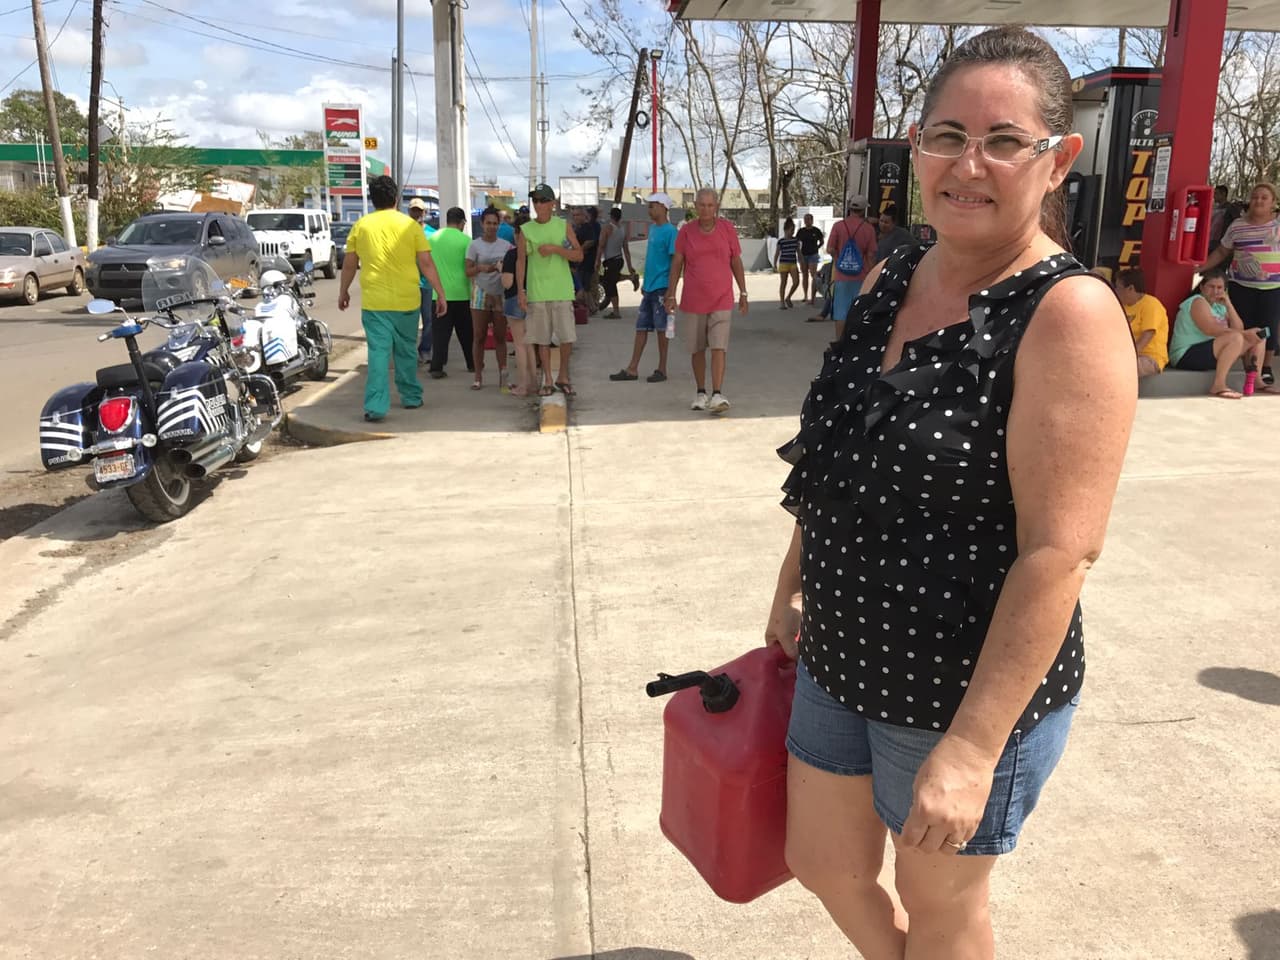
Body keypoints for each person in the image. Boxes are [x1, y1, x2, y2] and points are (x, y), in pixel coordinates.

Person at [767, 27, 1137, 960]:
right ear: (918, 147)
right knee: (821, 861)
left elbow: (1062, 550)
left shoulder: (1068, 315)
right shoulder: (895, 276)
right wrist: (789, 585)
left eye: (1004, 141)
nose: (969, 165)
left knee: (945, 912)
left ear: (1060, 159)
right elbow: (837, 455)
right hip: (841, 647)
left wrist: (972, 752)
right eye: (946, 136)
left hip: (960, 687)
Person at [338, 175, 447, 422]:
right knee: (406, 351)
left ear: (372, 199)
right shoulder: (411, 226)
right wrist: (441, 293)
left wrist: (343, 291)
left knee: (378, 354)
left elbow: (349, 265)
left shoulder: (361, 226)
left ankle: (376, 407)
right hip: (408, 300)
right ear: (396, 198)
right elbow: (426, 263)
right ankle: (410, 396)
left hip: (375, 303)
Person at [664, 188, 748, 413]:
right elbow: (677, 264)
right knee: (698, 348)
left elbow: (736, 261)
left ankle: (717, 393)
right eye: (702, 205)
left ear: (717, 207)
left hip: (721, 298)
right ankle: (701, 392)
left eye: (710, 205)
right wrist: (671, 293)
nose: (706, 210)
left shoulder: (727, 229)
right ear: (696, 207)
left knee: (719, 346)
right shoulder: (686, 232)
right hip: (693, 300)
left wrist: (743, 292)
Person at [1200, 182, 1280, 385]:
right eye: (1255, 197)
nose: (1258, 201)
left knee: (1268, 327)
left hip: (1272, 287)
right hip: (1240, 285)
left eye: (1264, 197)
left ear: (1273, 203)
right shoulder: (1237, 225)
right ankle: (1249, 369)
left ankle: (1265, 367)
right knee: (1243, 325)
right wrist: (1199, 268)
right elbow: (1221, 251)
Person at [517, 183, 583, 397]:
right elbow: (520, 262)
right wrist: (521, 291)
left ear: (552, 204)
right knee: (542, 339)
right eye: (535, 200)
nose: (538, 204)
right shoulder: (526, 230)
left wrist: (555, 249)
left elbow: (578, 255)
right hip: (537, 292)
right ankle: (547, 378)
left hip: (562, 290)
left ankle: (563, 375)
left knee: (566, 337)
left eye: (542, 200)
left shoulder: (563, 226)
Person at [609, 191, 678, 384]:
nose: (649, 209)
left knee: (662, 329)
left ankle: (662, 368)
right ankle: (632, 368)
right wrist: (646, 284)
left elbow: (675, 263)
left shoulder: (671, 232)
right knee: (641, 327)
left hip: (662, 288)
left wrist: (671, 292)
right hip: (650, 287)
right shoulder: (654, 230)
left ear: (663, 207)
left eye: (652, 206)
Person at [1168, 270, 1268, 398]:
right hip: (1186, 354)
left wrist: (1229, 305)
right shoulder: (1197, 301)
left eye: (1219, 287)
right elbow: (1211, 329)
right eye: (1211, 287)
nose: (1215, 291)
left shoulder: (1219, 306)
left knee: (1259, 336)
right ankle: (1218, 385)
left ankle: (1256, 381)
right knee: (1236, 337)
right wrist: (1244, 333)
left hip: (1210, 352)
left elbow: (1238, 327)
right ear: (1202, 287)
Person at [466, 206, 514, 391]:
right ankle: (478, 376)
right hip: (480, 292)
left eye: (495, 223)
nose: (492, 227)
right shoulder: (474, 245)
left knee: (501, 337)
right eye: (488, 223)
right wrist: (481, 268)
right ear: (482, 224)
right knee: (479, 336)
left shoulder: (506, 245)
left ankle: (503, 375)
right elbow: (467, 270)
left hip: (500, 293)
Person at [427, 207, 475, 380]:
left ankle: (437, 367)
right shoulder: (467, 241)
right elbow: (470, 267)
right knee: (467, 333)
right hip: (462, 294)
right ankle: (472, 364)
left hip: (439, 295)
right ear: (462, 223)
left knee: (440, 335)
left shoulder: (433, 239)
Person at [826, 196, 879, 339]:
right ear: (863, 210)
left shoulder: (838, 226)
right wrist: (872, 275)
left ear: (850, 208)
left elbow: (830, 249)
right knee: (860, 311)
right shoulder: (868, 229)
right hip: (861, 276)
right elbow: (871, 255)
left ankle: (839, 344)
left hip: (842, 276)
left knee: (841, 312)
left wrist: (838, 261)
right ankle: (855, 345)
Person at [501, 208, 538, 398]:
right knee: (530, 343)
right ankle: (533, 383)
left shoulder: (512, 255)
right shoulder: (535, 254)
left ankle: (523, 385)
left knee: (519, 344)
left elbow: (507, 282)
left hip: (515, 299)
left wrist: (501, 270)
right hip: (534, 298)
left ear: (517, 233)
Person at [1113, 268, 1169, 378]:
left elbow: (1147, 336)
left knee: (1117, 367)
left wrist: (1127, 356)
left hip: (1150, 357)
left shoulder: (1151, 304)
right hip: (1124, 355)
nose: (1115, 291)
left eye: (1118, 288)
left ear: (1130, 288)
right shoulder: (1122, 306)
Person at [408, 197, 438, 365]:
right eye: (414, 211)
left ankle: (425, 350)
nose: (416, 214)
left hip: (426, 284)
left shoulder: (432, 234)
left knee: (429, 320)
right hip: (409, 283)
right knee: (409, 320)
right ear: (409, 212)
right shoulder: (402, 231)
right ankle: (409, 352)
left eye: (419, 211)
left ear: (424, 212)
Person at [596, 207, 636, 319]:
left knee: (611, 285)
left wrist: (597, 260)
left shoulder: (607, 228)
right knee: (611, 279)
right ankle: (630, 277)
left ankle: (616, 311)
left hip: (611, 261)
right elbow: (626, 250)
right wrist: (629, 266)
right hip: (619, 259)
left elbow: (601, 246)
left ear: (611, 216)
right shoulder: (622, 229)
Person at [797, 212, 825, 305]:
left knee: (813, 274)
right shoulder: (801, 231)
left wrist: (817, 247)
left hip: (813, 254)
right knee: (804, 274)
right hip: (803, 254)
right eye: (805, 219)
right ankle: (805, 295)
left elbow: (822, 241)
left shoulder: (816, 230)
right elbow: (797, 243)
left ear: (812, 220)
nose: (807, 221)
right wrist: (799, 253)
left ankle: (813, 295)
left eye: (808, 219)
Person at [774, 218, 801, 309]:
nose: (792, 232)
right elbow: (777, 253)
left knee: (796, 282)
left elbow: (799, 252)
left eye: (793, 230)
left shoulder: (795, 240)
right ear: (786, 230)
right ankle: (782, 302)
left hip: (793, 263)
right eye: (791, 230)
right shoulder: (781, 241)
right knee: (783, 283)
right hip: (783, 263)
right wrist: (774, 264)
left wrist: (801, 261)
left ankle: (788, 296)